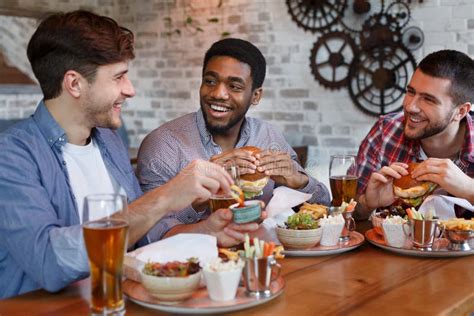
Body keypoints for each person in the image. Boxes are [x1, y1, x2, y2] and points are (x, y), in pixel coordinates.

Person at [0, 10, 235, 298]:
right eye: (118, 77)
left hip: (121, 301)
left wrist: (204, 231)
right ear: (74, 84)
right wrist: (164, 197)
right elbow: (50, 263)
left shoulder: (109, 141)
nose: (130, 89)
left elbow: (138, 237)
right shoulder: (11, 155)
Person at [136, 38, 331, 243]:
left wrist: (300, 181)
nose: (218, 94)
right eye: (210, 81)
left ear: (255, 96)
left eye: (234, 86)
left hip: (263, 259)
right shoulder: (163, 145)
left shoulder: (268, 137)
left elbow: (323, 209)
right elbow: (148, 235)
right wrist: (201, 197)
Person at [356, 50, 474, 219]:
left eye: (428, 99)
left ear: (460, 111)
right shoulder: (386, 131)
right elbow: (347, 214)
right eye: (411, 92)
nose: (410, 106)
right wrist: (367, 203)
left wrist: (470, 189)